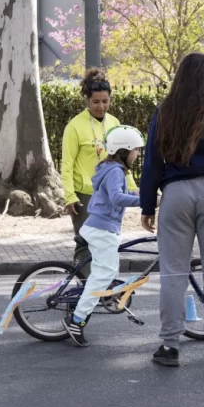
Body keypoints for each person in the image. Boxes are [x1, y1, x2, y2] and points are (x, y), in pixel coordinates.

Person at [140, 53, 204, 369]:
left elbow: (152, 162)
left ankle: (169, 347)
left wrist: (147, 206)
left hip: (176, 194)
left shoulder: (165, 111)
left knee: (173, 271)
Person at [62, 126, 145, 347]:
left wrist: (143, 194)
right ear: (124, 150)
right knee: (103, 275)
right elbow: (118, 198)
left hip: (100, 227)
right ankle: (76, 320)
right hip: (102, 229)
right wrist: (146, 202)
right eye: (136, 150)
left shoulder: (111, 169)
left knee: (105, 273)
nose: (137, 154)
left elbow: (120, 194)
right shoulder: (116, 171)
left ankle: (85, 305)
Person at [62, 68, 138, 276]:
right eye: (96, 101)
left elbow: (122, 161)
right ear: (87, 101)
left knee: (107, 243)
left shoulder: (114, 124)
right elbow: (67, 164)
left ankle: (102, 290)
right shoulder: (74, 126)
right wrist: (69, 196)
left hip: (110, 194)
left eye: (105, 101)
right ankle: (82, 289)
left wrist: (132, 188)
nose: (101, 106)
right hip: (84, 196)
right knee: (85, 243)